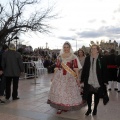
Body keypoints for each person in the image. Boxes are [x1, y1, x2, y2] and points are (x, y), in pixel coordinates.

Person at [47, 41, 82, 114]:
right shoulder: (60, 57)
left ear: (70, 48)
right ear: (63, 48)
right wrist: (53, 77)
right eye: (64, 47)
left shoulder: (73, 57)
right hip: (60, 76)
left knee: (68, 92)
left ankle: (66, 106)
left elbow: (76, 68)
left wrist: (77, 78)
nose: (66, 49)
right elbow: (56, 67)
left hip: (70, 77)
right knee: (60, 92)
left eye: (67, 47)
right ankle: (59, 107)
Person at [81, 44, 108, 116]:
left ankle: (95, 108)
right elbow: (84, 69)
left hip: (98, 81)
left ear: (98, 50)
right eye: (92, 48)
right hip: (89, 80)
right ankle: (89, 109)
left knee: (97, 96)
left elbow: (105, 70)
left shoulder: (102, 58)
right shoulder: (87, 58)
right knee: (88, 96)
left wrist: (105, 81)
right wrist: (82, 79)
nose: (93, 50)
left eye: (95, 48)